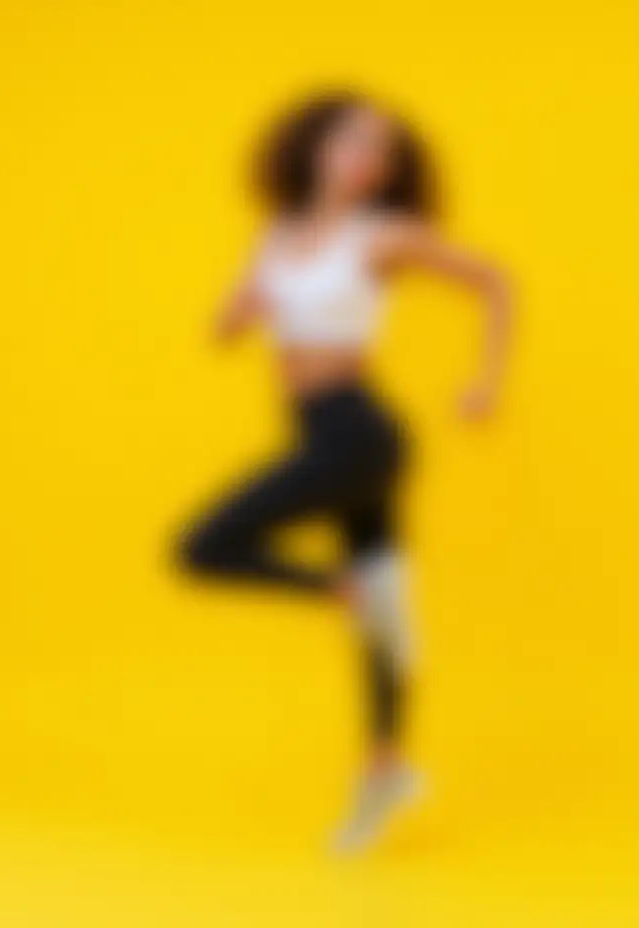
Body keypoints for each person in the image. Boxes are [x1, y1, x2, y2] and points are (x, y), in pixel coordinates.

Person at [176, 91, 512, 853]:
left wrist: (486, 382)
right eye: (358, 141)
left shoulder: (385, 235)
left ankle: (335, 590)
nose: (373, 160)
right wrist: (239, 311)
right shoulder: (279, 233)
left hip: (357, 433)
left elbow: (496, 282)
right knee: (387, 618)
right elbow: (232, 325)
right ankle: (385, 769)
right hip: (320, 428)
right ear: (316, 146)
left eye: (386, 151)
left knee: (202, 547)